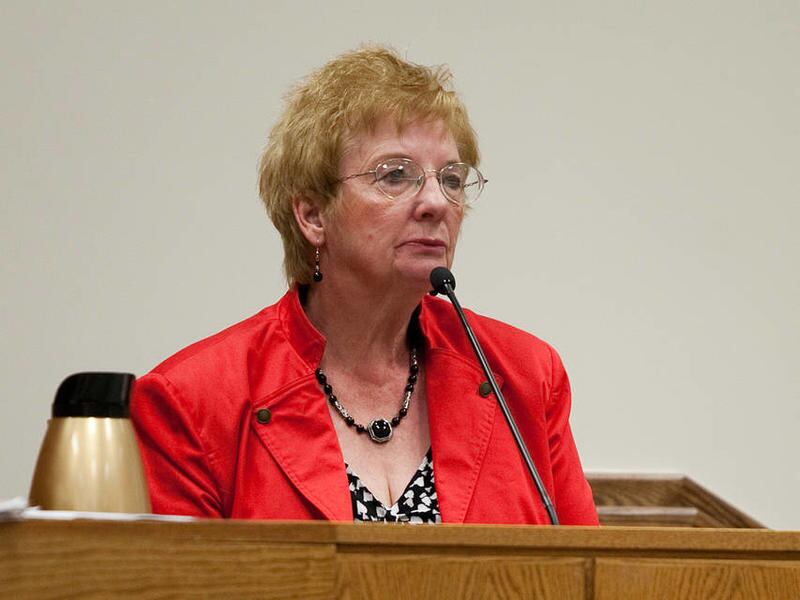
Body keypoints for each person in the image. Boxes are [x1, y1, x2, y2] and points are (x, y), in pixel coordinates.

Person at [131, 46, 598, 525]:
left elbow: (589, 565)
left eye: (452, 179)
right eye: (395, 175)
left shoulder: (525, 376)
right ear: (313, 215)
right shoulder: (192, 403)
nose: (437, 202)